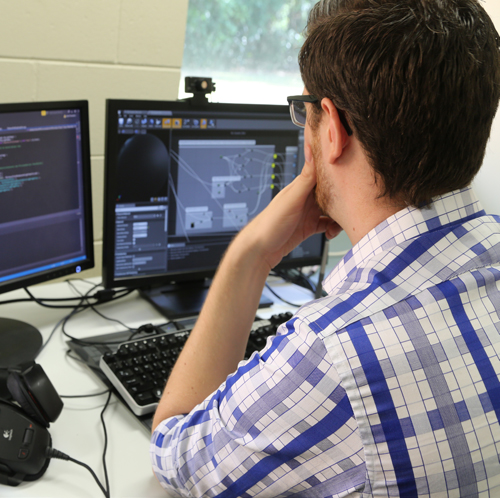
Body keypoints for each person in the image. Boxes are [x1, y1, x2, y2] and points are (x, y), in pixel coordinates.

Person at [150, 0, 500, 496]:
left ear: (331, 130)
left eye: (304, 113)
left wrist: (249, 253)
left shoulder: (333, 351)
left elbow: (174, 450)